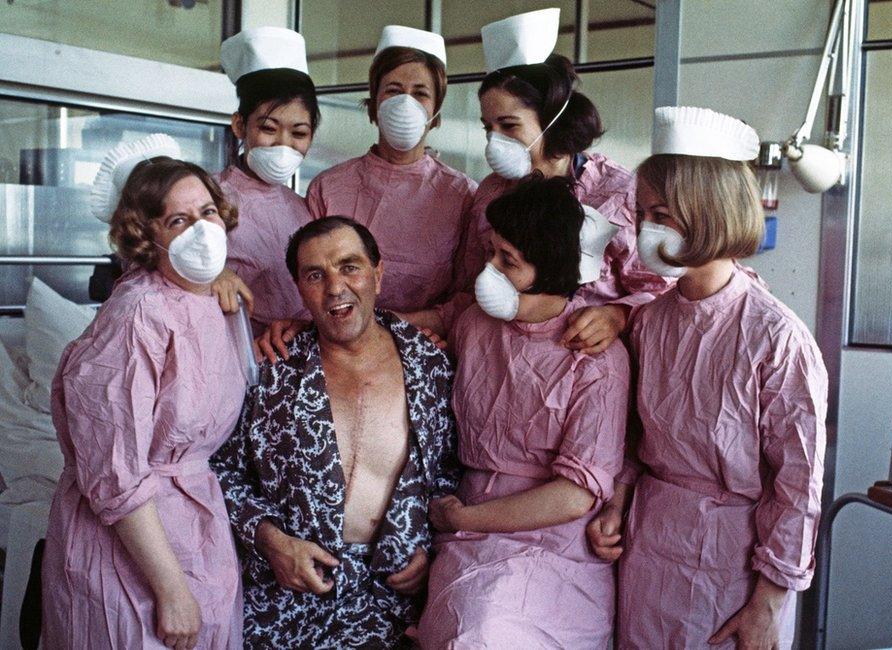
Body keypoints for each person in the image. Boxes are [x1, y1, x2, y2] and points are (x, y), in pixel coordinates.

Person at [586, 106, 829, 649]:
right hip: (650, 548)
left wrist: (769, 602)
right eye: (644, 214)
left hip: (734, 566)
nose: (647, 230)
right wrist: (617, 503)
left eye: (663, 215)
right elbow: (633, 439)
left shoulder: (776, 340)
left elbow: (798, 487)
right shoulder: (649, 322)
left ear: (708, 211)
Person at [211, 217, 459, 648]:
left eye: (350, 266)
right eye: (315, 275)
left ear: (378, 274)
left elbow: (448, 473)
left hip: (390, 600)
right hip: (285, 596)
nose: (335, 288)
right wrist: (272, 543)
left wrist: (429, 552)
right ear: (299, 288)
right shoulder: (270, 370)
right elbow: (217, 470)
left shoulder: (430, 366)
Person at [43, 136, 249, 649]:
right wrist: (171, 586)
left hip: (196, 524)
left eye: (208, 212)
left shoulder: (211, 298)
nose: (202, 232)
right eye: (178, 222)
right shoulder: (136, 314)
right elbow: (114, 468)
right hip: (131, 543)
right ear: (146, 236)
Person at [417, 177, 627, 648]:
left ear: (548, 267)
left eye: (506, 261)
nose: (488, 269)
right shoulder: (475, 324)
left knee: (486, 633)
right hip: (465, 533)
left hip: (555, 546)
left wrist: (465, 520)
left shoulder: (596, 358)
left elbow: (575, 496)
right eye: (489, 253)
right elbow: (430, 322)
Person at [433, 8, 668, 352]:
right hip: (498, 359)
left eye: (509, 126)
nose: (494, 141)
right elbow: (470, 287)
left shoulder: (616, 194)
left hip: (588, 369)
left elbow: (662, 291)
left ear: (551, 121)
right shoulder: (490, 194)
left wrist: (618, 315)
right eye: (489, 128)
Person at [305, 26, 477, 319]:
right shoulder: (328, 188)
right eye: (394, 91)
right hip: (340, 343)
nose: (405, 103)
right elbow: (308, 277)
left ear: (435, 116)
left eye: (420, 93)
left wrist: (407, 327)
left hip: (430, 344)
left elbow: (469, 292)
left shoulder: (462, 195)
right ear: (373, 105)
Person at [211, 26, 321, 335]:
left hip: (293, 356)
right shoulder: (205, 195)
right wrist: (211, 275)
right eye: (269, 128)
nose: (283, 144)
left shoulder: (304, 210)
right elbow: (148, 261)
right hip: (226, 352)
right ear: (239, 125)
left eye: (298, 133)